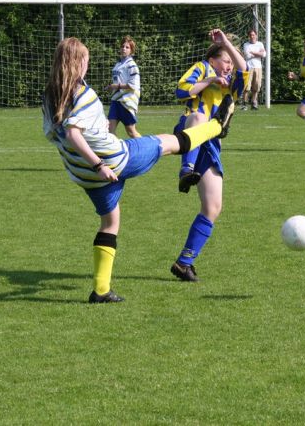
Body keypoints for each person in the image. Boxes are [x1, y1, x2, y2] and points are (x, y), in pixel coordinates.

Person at [42, 37, 236, 303]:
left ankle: (101, 291)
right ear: (78, 63)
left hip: (85, 176)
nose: (88, 64)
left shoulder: (50, 97)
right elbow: (73, 133)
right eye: (86, 59)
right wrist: (99, 163)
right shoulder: (83, 94)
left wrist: (89, 155)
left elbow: (57, 135)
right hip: (115, 160)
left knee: (110, 222)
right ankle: (216, 126)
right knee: (168, 143)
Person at [171, 29, 247, 282]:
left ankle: (184, 263)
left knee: (213, 207)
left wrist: (227, 43)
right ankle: (186, 170)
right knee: (199, 117)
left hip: (211, 144)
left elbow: (244, 68)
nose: (229, 66)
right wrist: (211, 79)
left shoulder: (232, 84)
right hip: (189, 130)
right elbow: (182, 90)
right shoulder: (203, 68)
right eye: (225, 61)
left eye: (230, 62)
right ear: (212, 60)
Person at [106, 36, 141, 138]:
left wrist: (115, 86)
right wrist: (111, 88)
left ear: (131, 51)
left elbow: (133, 85)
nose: (124, 49)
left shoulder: (132, 65)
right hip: (116, 101)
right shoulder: (118, 64)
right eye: (122, 46)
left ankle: (147, 146)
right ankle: (117, 148)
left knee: (131, 132)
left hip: (126, 102)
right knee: (110, 130)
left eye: (127, 47)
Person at [241, 29, 266, 110]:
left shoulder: (260, 44)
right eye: (250, 35)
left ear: (256, 35)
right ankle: (244, 104)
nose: (252, 36)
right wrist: (258, 53)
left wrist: (253, 52)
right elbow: (247, 56)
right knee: (246, 87)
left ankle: (254, 103)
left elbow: (264, 54)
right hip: (248, 67)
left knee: (256, 87)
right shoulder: (246, 45)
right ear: (248, 36)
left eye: (253, 35)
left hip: (258, 67)